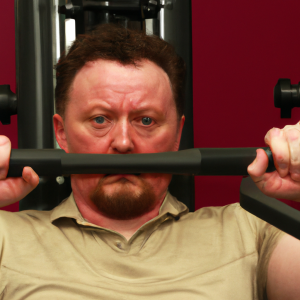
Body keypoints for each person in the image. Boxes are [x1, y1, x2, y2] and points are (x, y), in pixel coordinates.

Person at [0, 24, 299, 299]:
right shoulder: (6, 239)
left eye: (146, 120)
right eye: (100, 119)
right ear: (62, 134)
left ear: (178, 135)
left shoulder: (250, 230)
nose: (124, 142)